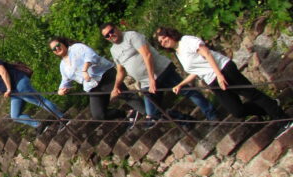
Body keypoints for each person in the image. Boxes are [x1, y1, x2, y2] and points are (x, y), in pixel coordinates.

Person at [153, 27, 283, 121]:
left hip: (223, 69)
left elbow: (207, 54)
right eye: (161, 42)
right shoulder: (178, 53)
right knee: (237, 111)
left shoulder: (186, 41)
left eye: (164, 38)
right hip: (212, 81)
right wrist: (181, 84)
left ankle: (282, 118)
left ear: (170, 34)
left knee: (252, 94)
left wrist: (220, 75)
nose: (163, 41)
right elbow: (195, 71)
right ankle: (270, 107)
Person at [100, 23, 217, 121]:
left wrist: (152, 78)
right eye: (107, 36)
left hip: (162, 71)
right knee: (152, 114)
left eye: (111, 31)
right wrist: (116, 87)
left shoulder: (131, 36)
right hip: (146, 83)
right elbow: (120, 70)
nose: (111, 35)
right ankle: (186, 121)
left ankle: (212, 115)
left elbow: (147, 55)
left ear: (116, 28)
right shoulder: (113, 50)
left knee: (187, 92)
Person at [49, 35, 145, 121]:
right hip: (92, 86)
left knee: (125, 95)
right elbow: (65, 80)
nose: (57, 48)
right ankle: (125, 114)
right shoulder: (62, 65)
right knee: (98, 115)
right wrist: (61, 90)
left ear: (62, 43)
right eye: (54, 49)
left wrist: (85, 69)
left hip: (104, 75)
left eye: (57, 45)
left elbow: (91, 56)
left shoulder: (76, 48)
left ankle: (152, 114)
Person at [0, 54, 65, 130]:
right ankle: (38, 125)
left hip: (19, 84)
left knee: (40, 101)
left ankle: (62, 118)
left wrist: (8, 89)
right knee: (15, 115)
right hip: (14, 93)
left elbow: (4, 73)